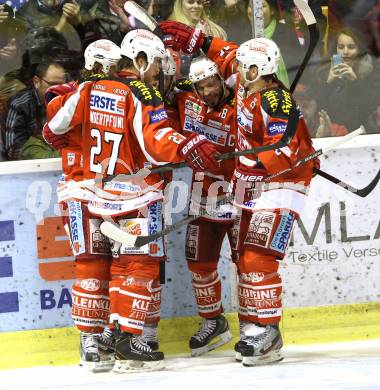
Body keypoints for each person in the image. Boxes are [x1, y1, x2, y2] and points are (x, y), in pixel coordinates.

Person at [44, 28, 220, 372]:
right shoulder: (138, 90)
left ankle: (102, 339)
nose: (159, 70)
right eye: (155, 63)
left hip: (98, 194)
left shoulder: (88, 89)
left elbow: (55, 129)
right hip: (134, 194)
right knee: (137, 265)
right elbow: (154, 140)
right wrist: (185, 145)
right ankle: (125, 336)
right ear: (138, 60)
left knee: (96, 266)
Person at [159, 21, 319, 366]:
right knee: (247, 260)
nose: (234, 69)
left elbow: (287, 149)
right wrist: (202, 41)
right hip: (248, 189)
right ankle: (257, 329)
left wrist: (257, 161)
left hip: (278, 187)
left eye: (243, 65)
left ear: (256, 68)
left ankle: (267, 330)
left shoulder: (274, 98)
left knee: (257, 260)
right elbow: (228, 55)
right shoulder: (248, 88)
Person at [43, 38, 122, 372]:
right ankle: (89, 335)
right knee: (91, 261)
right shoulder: (61, 94)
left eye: (114, 68)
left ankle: (119, 332)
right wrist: (87, 90)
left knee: (126, 262)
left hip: (122, 192)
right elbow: (53, 130)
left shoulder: (124, 95)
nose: (110, 73)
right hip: (80, 190)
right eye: (105, 67)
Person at [173, 56, 237, 356]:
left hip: (240, 196)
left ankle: (254, 326)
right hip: (203, 195)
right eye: (200, 87)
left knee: (248, 265)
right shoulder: (186, 97)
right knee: (198, 263)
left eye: (211, 84)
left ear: (221, 80)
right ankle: (213, 322)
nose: (207, 92)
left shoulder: (242, 102)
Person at [315, 27, 379, 130]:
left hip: (362, 134)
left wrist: (354, 83)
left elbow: (369, 108)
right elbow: (317, 109)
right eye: (341, 47)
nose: (345, 52)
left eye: (351, 47)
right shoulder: (324, 72)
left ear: (360, 49)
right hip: (331, 135)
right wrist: (328, 83)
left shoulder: (371, 72)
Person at [4, 59, 66, 160]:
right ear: (37, 82)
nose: (59, 90)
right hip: (29, 168)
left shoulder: (69, 100)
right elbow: (12, 150)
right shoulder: (19, 104)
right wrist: (46, 155)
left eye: (62, 85)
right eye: (53, 84)